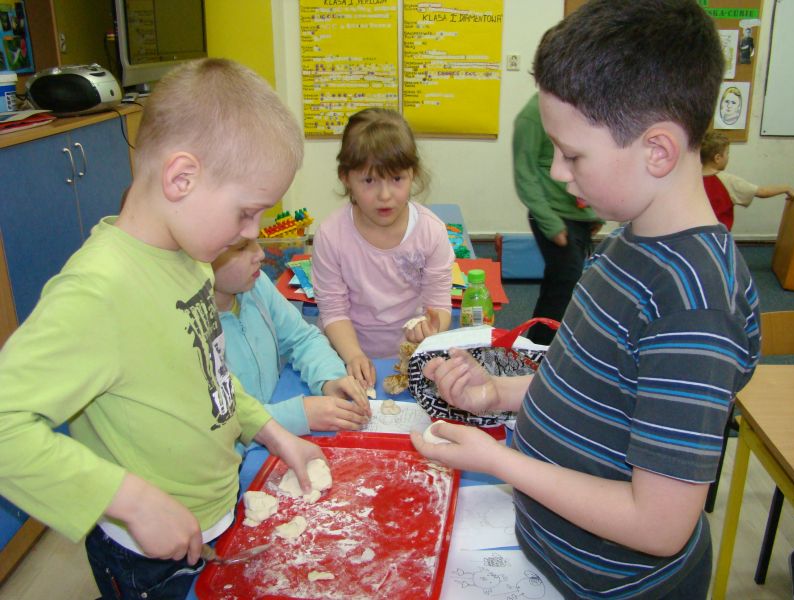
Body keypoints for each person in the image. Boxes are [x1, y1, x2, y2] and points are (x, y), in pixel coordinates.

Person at [411, 1, 761, 598]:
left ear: (657, 151)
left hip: (617, 586)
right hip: (556, 557)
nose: (557, 171)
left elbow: (659, 525)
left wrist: (499, 463)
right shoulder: (632, 240)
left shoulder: (693, 308)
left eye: (572, 154)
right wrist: (499, 393)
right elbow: (597, 387)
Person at [0, 58, 326, 599]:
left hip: (215, 509)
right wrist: (132, 501)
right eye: (246, 213)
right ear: (181, 178)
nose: (251, 232)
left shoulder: (191, 260)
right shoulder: (99, 292)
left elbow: (209, 375)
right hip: (144, 554)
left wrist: (273, 433)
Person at [312, 108, 454, 389]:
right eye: (369, 181)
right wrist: (353, 355)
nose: (385, 195)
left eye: (397, 179)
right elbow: (334, 310)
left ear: (413, 174)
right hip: (346, 352)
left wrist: (430, 327)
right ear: (346, 178)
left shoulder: (431, 232)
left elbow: (439, 303)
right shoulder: (330, 236)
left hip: (408, 357)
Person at [212, 238, 371, 439]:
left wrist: (330, 380)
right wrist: (296, 415)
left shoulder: (257, 286)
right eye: (242, 247)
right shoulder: (189, 331)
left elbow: (303, 339)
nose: (261, 254)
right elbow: (216, 422)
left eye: (255, 241)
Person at [512, 92, 603, 345]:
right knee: (563, 286)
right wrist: (550, 223)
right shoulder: (532, 116)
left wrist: (595, 211)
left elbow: (589, 160)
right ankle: (539, 349)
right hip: (553, 216)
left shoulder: (581, 105)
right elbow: (524, 173)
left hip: (580, 214)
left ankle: (544, 347)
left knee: (565, 285)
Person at [701, 130, 794, 230]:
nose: (728, 157)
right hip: (718, 236)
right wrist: (786, 188)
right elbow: (763, 192)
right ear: (717, 158)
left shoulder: (691, 178)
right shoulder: (727, 180)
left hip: (693, 234)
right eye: (727, 153)